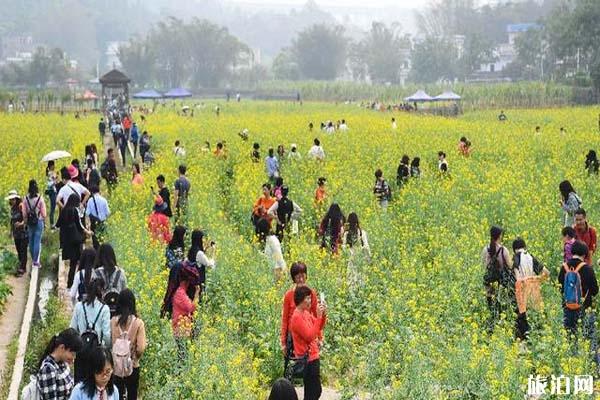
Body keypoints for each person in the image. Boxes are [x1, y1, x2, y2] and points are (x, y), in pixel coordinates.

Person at [280, 262, 323, 372]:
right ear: (293, 278)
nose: (301, 279)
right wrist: (283, 343)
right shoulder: (289, 295)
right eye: (298, 277)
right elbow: (284, 319)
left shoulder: (310, 293)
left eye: (303, 276)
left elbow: (316, 315)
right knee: (291, 365)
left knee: (310, 362)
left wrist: (319, 337)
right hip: (293, 334)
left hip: (307, 332)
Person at [289, 285, 327, 400]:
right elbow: (310, 336)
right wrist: (319, 316)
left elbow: (318, 326)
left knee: (315, 390)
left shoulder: (306, 313)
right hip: (307, 360)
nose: (311, 301)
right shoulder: (296, 317)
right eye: (308, 298)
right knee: (312, 392)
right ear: (301, 299)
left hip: (313, 357)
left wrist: (323, 314)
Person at [70, 278, 111, 382]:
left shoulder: (79, 306)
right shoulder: (104, 309)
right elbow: (106, 335)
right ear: (101, 290)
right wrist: (108, 349)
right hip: (97, 352)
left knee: (80, 383)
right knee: (94, 383)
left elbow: (73, 329)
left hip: (81, 350)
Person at [111, 289, 146, 400]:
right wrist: (135, 357)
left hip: (116, 365)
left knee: (117, 394)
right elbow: (141, 348)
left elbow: (108, 342)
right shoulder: (138, 323)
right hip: (132, 365)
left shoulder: (113, 321)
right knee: (132, 394)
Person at [559, 241, 599, 337]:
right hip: (585, 307)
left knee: (570, 336)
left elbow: (560, 287)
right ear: (585, 254)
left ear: (572, 251)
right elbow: (595, 290)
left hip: (567, 306)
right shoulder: (588, 269)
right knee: (587, 336)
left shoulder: (564, 267)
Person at [512, 238, 548, 340]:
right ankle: (536, 338)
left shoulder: (516, 257)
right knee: (534, 315)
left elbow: (518, 278)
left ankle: (524, 340)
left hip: (522, 293)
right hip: (533, 292)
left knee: (522, 317)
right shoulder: (530, 257)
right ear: (524, 246)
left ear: (514, 249)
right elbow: (546, 273)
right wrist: (536, 279)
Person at [35, 328, 83, 400]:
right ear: (62, 347)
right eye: (72, 354)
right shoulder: (48, 369)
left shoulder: (63, 363)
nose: (74, 358)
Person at [56, 194, 91, 288]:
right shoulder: (74, 210)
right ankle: (77, 283)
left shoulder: (63, 210)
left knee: (72, 263)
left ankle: (70, 283)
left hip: (66, 241)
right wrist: (87, 232)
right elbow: (79, 225)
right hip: (75, 241)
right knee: (76, 263)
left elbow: (58, 224)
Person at [481, 226, 513, 325]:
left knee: (490, 301)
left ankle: (491, 321)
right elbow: (510, 266)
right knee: (500, 303)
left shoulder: (485, 249)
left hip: (489, 280)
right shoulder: (504, 250)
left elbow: (483, 265)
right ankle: (500, 322)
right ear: (500, 236)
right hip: (500, 281)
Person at [171, 264, 201, 360]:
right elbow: (192, 308)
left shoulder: (181, 291)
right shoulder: (180, 293)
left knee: (183, 355)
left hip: (183, 329)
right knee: (183, 356)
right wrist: (197, 292)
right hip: (181, 330)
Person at [93, 244, 128, 316]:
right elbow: (125, 293)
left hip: (100, 313)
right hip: (117, 312)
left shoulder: (96, 273)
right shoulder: (121, 272)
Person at [22, 180, 46, 268]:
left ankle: (33, 259)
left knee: (31, 241)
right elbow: (44, 214)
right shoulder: (40, 198)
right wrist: (44, 220)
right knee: (37, 241)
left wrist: (25, 223)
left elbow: (24, 214)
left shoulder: (25, 198)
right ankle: (36, 261)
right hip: (38, 221)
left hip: (29, 222)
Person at [187, 230, 216, 301]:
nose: (203, 240)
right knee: (197, 300)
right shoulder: (199, 253)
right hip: (198, 282)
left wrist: (205, 249)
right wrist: (213, 251)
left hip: (191, 280)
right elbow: (209, 265)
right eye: (202, 238)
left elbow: (199, 258)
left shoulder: (191, 250)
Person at [6, 190, 28, 276]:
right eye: (10, 199)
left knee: (23, 250)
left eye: (12, 199)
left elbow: (26, 219)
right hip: (16, 233)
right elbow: (12, 221)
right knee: (19, 250)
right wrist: (10, 232)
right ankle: (21, 266)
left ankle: (23, 268)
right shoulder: (12, 208)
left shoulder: (21, 206)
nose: (11, 201)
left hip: (24, 232)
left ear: (16, 198)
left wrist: (21, 224)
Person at [85, 185, 109, 250]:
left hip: (94, 223)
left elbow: (87, 213)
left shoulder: (90, 200)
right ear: (99, 191)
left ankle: (97, 254)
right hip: (102, 222)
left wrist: (87, 225)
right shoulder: (104, 200)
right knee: (103, 239)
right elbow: (108, 213)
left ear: (92, 192)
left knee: (95, 241)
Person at [46, 160, 58, 227]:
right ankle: (52, 224)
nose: (54, 166)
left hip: (54, 191)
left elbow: (55, 182)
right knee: (52, 208)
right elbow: (49, 184)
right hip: (52, 192)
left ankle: (53, 223)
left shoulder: (53, 173)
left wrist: (56, 177)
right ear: (50, 166)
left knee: (53, 207)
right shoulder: (49, 174)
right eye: (53, 165)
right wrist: (55, 180)